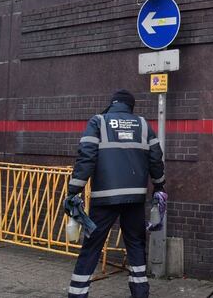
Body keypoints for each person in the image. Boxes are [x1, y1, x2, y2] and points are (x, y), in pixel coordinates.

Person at [64, 89, 166, 298]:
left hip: (105, 199)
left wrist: (74, 190)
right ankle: (140, 293)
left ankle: (77, 293)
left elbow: (86, 157)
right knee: (136, 244)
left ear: (113, 104)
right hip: (135, 198)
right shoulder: (143, 124)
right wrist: (159, 186)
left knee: (92, 246)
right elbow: (156, 158)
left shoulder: (98, 122)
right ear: (131, 106)